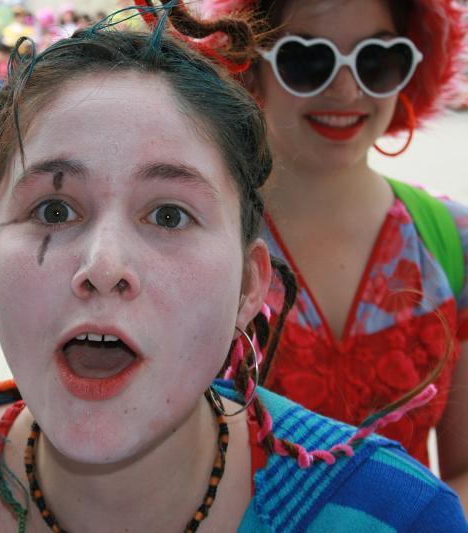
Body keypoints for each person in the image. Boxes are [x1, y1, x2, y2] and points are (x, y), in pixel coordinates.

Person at [0, 11, 466, 533]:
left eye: (168, 214)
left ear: (249, 286)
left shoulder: (398, 517)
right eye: (54, 210)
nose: (104, 267)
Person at [162, 0, 468, 508]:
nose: (346, 90)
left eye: (376, 60)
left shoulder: (454, 241)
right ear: (249, 68)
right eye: (307, 59)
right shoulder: (192, 243)